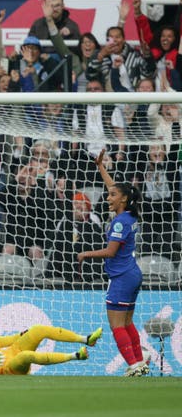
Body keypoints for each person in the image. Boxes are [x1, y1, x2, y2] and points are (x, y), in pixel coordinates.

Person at [77, 149, 149, 377]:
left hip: (121, 277)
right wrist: (100, 167)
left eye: (111, 196)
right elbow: (114, 187)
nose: (108, 198)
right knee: (127, 323)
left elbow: (110, 251)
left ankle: (134, 364)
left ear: (123, 199)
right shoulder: (129, 215)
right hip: (132, 274)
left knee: (116, 325)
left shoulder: (119, 223)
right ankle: (139, 361)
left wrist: (85, 254)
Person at [0, 319, 102, 375]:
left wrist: (21, 335)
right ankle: (75, 356)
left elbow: (7, 340)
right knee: (25, 356)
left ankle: (86, 339)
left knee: (38, 330)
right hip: (5, 368)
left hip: (12, 352)